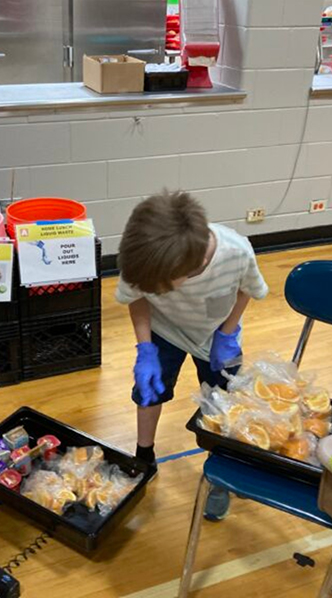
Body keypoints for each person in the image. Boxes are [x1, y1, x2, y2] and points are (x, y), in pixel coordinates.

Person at [116, 190, 269, 520]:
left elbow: (247, 290)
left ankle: (221, 474)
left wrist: (227, 334)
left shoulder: (236, 252)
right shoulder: (147, 257)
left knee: (223, 404)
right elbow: (137, 299)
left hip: (216, 332)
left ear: (193, 264)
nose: (154, 289)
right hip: (163, 330)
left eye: (161, 286)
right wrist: (145, 349)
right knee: (149, 392)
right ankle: (144, 455)